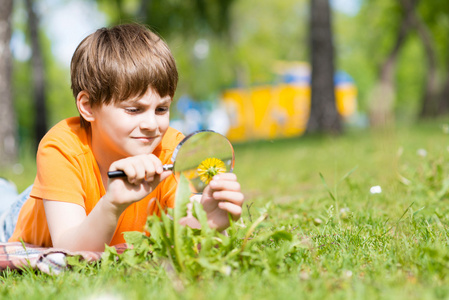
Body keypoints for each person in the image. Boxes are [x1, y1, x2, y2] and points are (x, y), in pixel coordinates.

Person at [4, 23, 244, 252]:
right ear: (88, 107)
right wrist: (112, 204)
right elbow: (70, 252)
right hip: (18, 218)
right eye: (134, 110)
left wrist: (209, 221)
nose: (151, 125)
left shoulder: (172, 150)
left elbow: (185, 233)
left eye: (161, 109)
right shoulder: (62, 147)